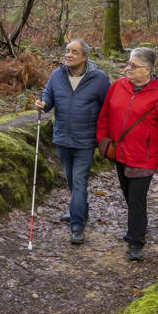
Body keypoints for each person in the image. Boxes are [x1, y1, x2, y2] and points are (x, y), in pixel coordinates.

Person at [95, 47, 158, 261]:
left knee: (136, 199)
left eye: (134, 66)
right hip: (120, 153)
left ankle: (136, 240)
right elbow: (104, 114)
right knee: (127, 194)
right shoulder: (117, 87)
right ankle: (138, 227)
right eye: (129, 64)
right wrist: (102, 139)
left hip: (144, 157)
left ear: (147, 70)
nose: (128, 69)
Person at [34, 39, 110, 245]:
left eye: (74, 52)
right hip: (62, 139)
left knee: (79, 182)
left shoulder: (100, 79)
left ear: (84, 57)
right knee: (70, 180)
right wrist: (42, 104)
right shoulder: (57, 75)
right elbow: (48, 100)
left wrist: (104, 136)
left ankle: (77, 225)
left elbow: (108, 109)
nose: (68, 55)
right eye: (67, 51)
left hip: (85, 141)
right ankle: (81, 211)